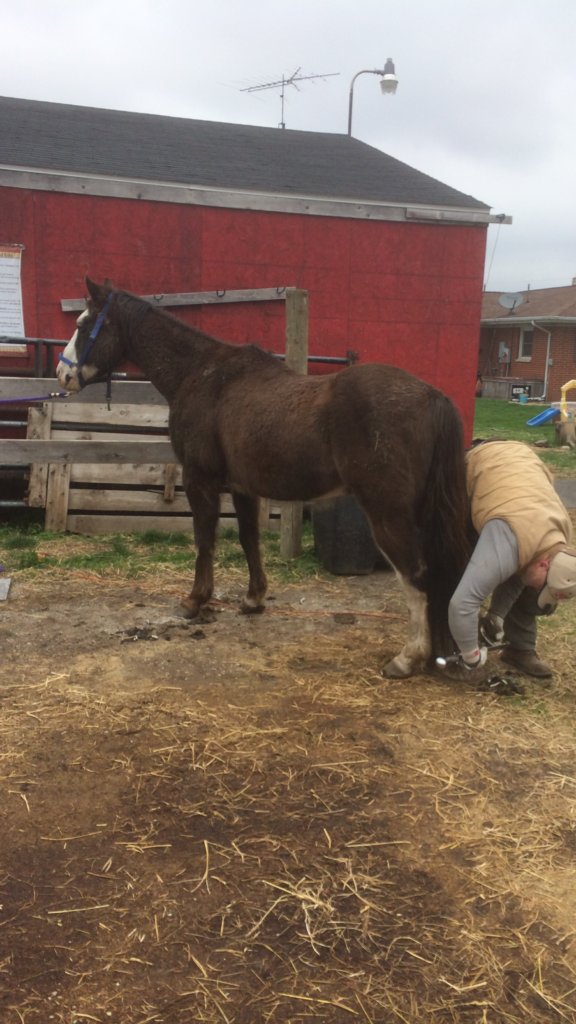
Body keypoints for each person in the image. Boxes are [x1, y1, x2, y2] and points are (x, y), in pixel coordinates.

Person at [448, 440, 576, 679]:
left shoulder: (559, 541)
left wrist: (496, 614)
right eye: (545, 585)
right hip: (481, 463)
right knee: (460, 566)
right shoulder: (509, 536)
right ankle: (453, 643)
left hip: (523, 463)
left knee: (532, 586)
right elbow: (462, 604)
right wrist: (471, 656)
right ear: (545, 564)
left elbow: (526, 566)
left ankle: (519, 649)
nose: (541, 589)